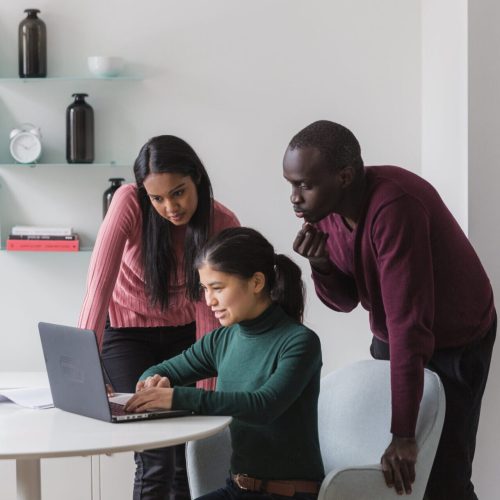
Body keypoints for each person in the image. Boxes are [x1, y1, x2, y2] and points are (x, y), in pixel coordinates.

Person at [282, 120, 496, 500]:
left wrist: (404, 434)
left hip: (454, 336)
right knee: (393, 473)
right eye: (292, 184)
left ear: (345, 176)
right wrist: (322, 265)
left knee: (444, 474)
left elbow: (410, 325)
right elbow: (347, 301)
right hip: (394, 334)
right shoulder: (327, 212)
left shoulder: (395, 207)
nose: (295, 197)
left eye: (305, 185)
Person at [78, 135, 239, 500]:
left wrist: (203, 405)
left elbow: (210, 313)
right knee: (154, 453)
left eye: (179, 192)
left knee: (186, 449)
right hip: (126, 333)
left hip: (187, 337)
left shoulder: (221, 222)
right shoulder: (127, 203)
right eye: (158, 198)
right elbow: (98, 288)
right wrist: (90, 371)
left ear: (196, 177)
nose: (171, 207)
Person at [124, 227, 325, 500]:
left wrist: (177, 397)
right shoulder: (222, 339)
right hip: (236, 489)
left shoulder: (300, 342)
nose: (209, 301)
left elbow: (262, 406)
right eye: (205, 289)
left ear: (256, 282)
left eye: (218, 288)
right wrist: (152, 381)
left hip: (288, 494)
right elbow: (165, 369)